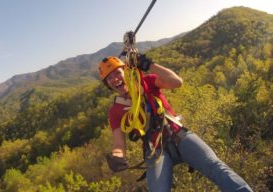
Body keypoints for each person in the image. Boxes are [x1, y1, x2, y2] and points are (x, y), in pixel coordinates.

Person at [98, 55, 253, 192]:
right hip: (155, 150)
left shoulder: (147, 82)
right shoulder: (115, 111)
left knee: (215, 167)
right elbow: (119, 143)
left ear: (126, 71)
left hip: (179, 135)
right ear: (107, 84)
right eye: (109, 78)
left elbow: (177, 82)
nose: (115, 79)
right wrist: (117, 156)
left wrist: (148, 65)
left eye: (117, 73)